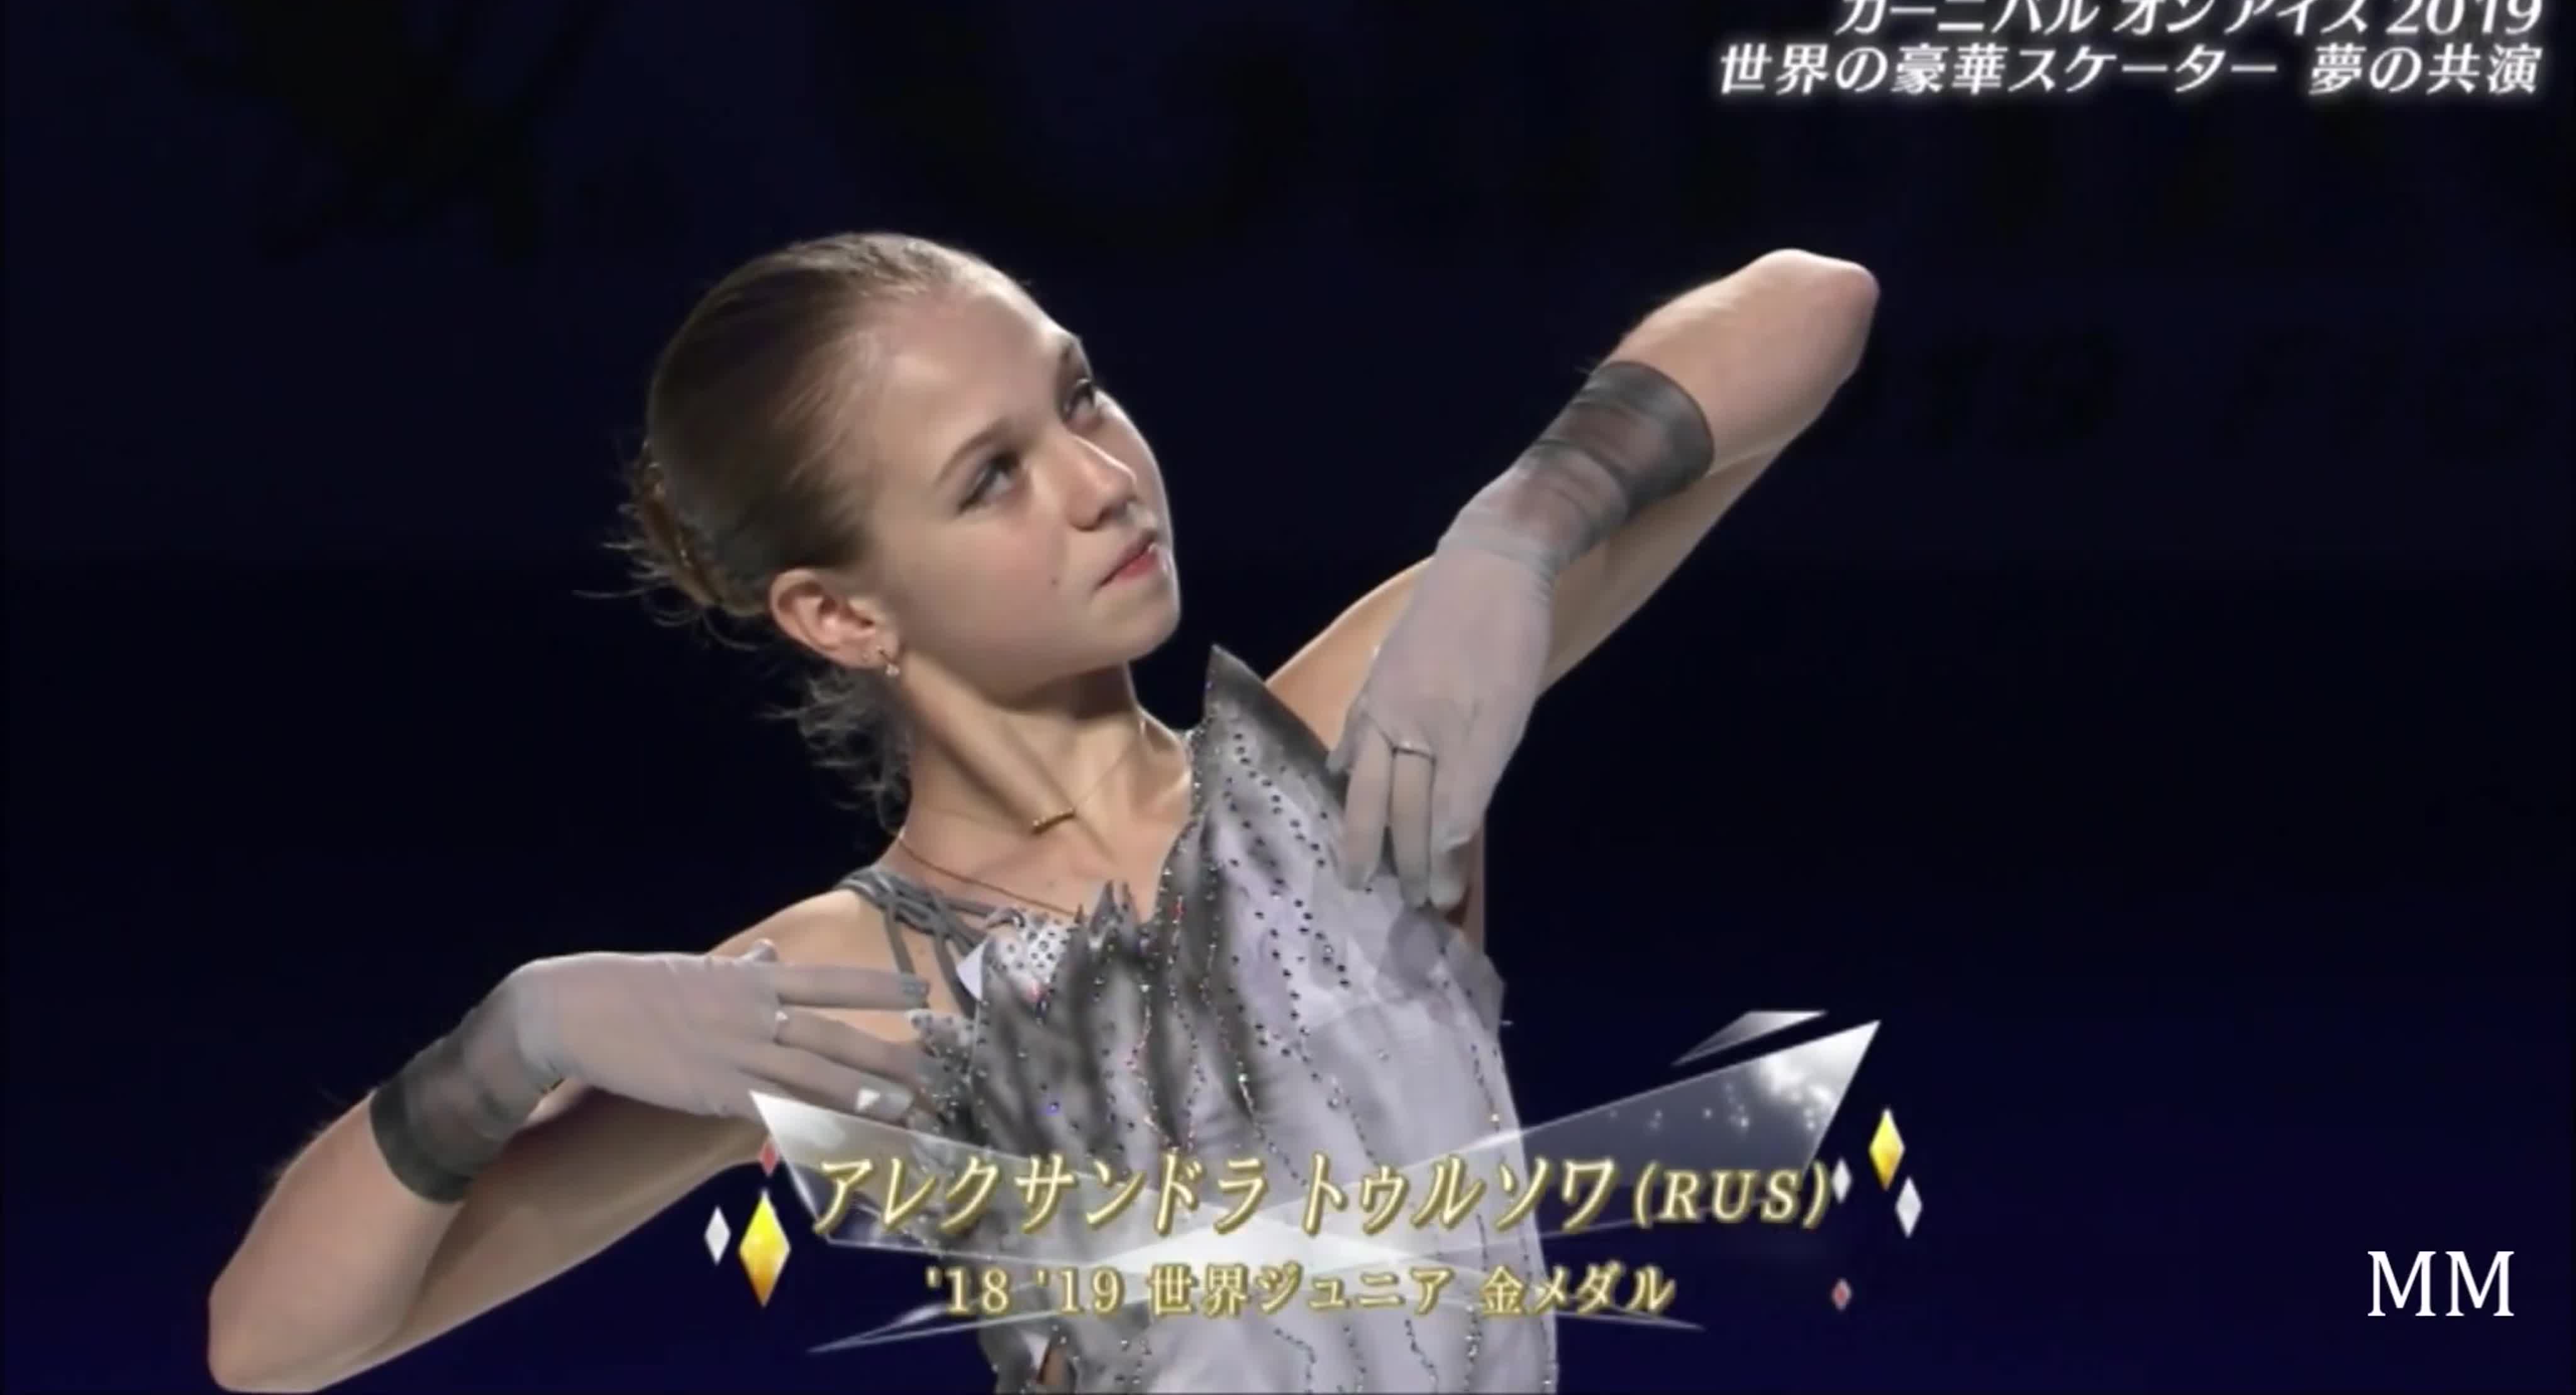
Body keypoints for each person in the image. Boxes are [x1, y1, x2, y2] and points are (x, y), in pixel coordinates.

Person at [206, 232, 1877, 1393]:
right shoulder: (856, 986)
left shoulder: (1357, 745)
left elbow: (1814, 303)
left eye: (1078, 395)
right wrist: (513, 1042)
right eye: (989, 477)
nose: (1100, 480)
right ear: (841, 613)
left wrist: (1528, 524)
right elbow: (275, 1345)